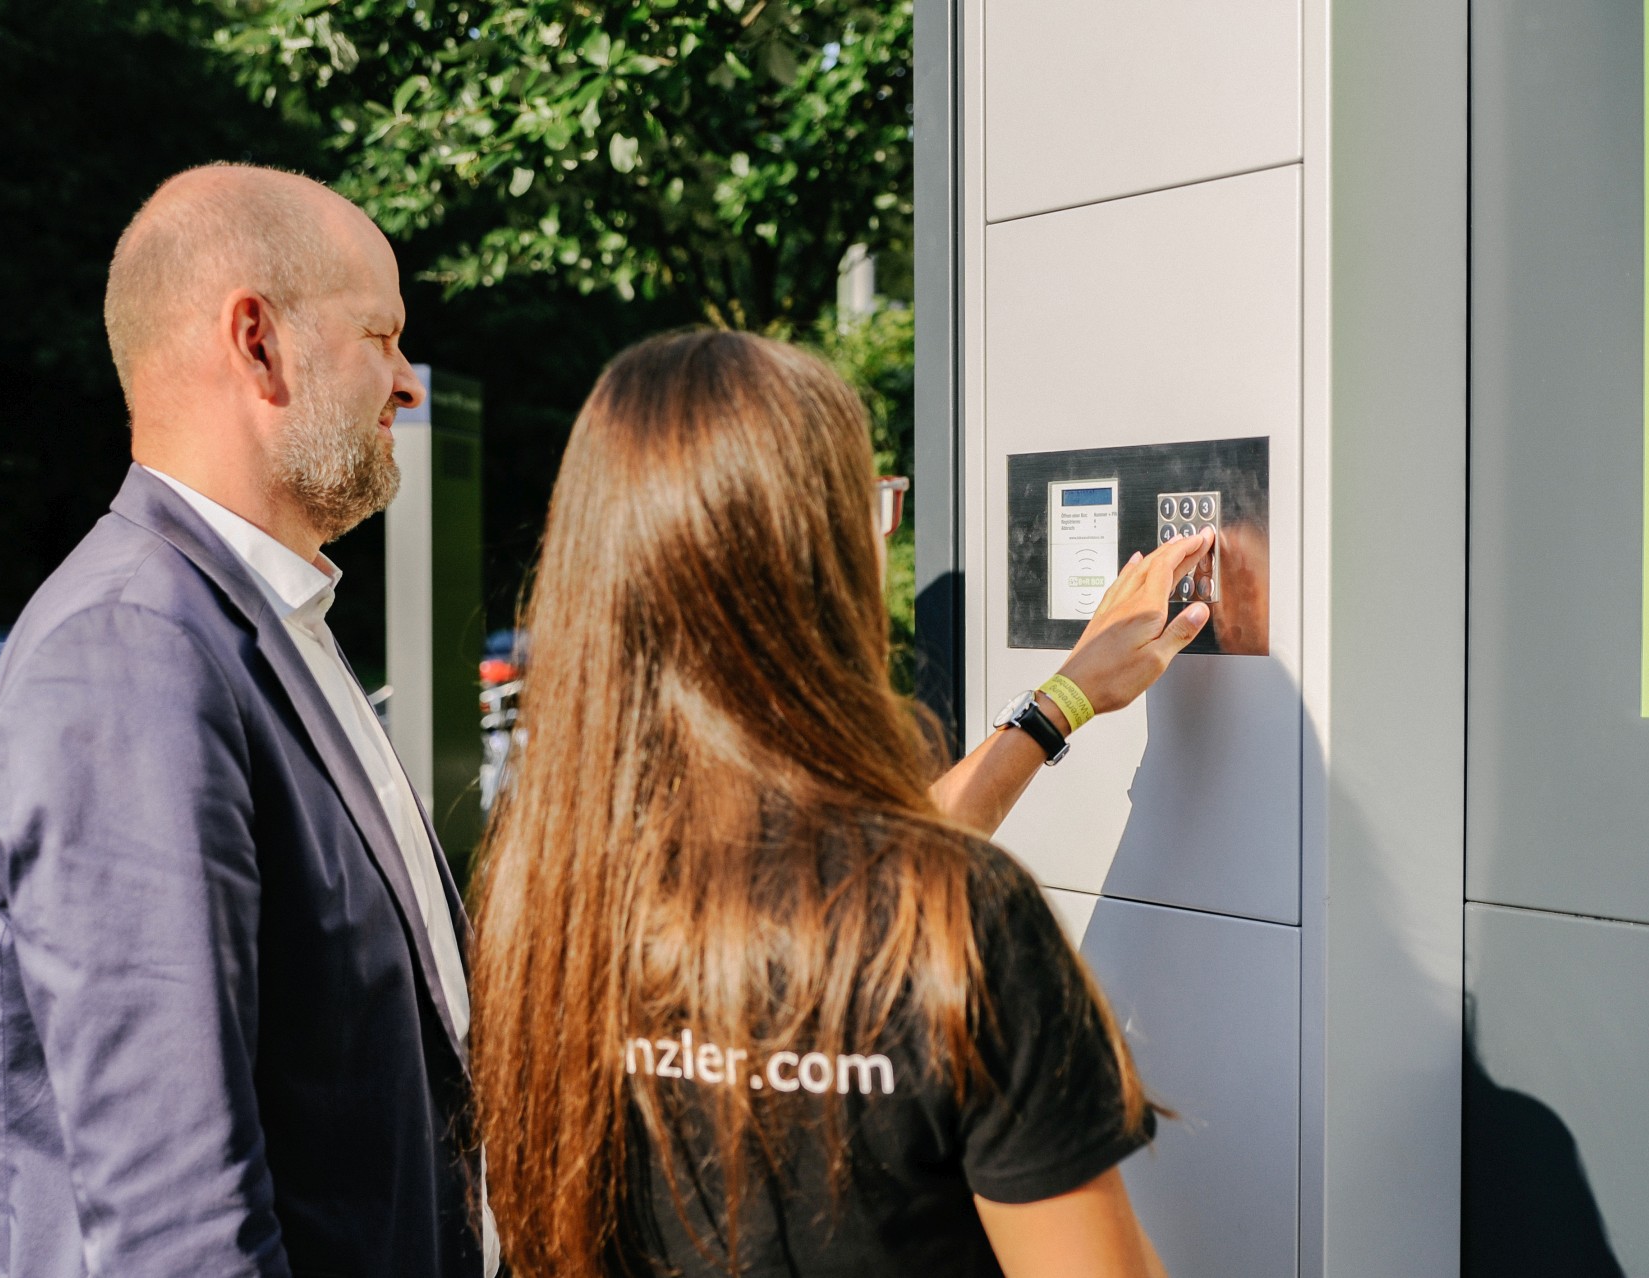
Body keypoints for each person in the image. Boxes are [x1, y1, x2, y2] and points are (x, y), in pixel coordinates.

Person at [471, 330, 1215, 1277]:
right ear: (810, 554)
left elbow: (833, 896)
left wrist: (1059, 703)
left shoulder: (540, 896)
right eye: (870, 504)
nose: (886, 530)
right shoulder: (969, 921)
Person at [0, 164, 491, 1276]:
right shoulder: (131, 651)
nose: (407, 382)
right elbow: (175, 1214)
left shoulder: (254, 612)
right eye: (381, 336)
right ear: (258, 342)